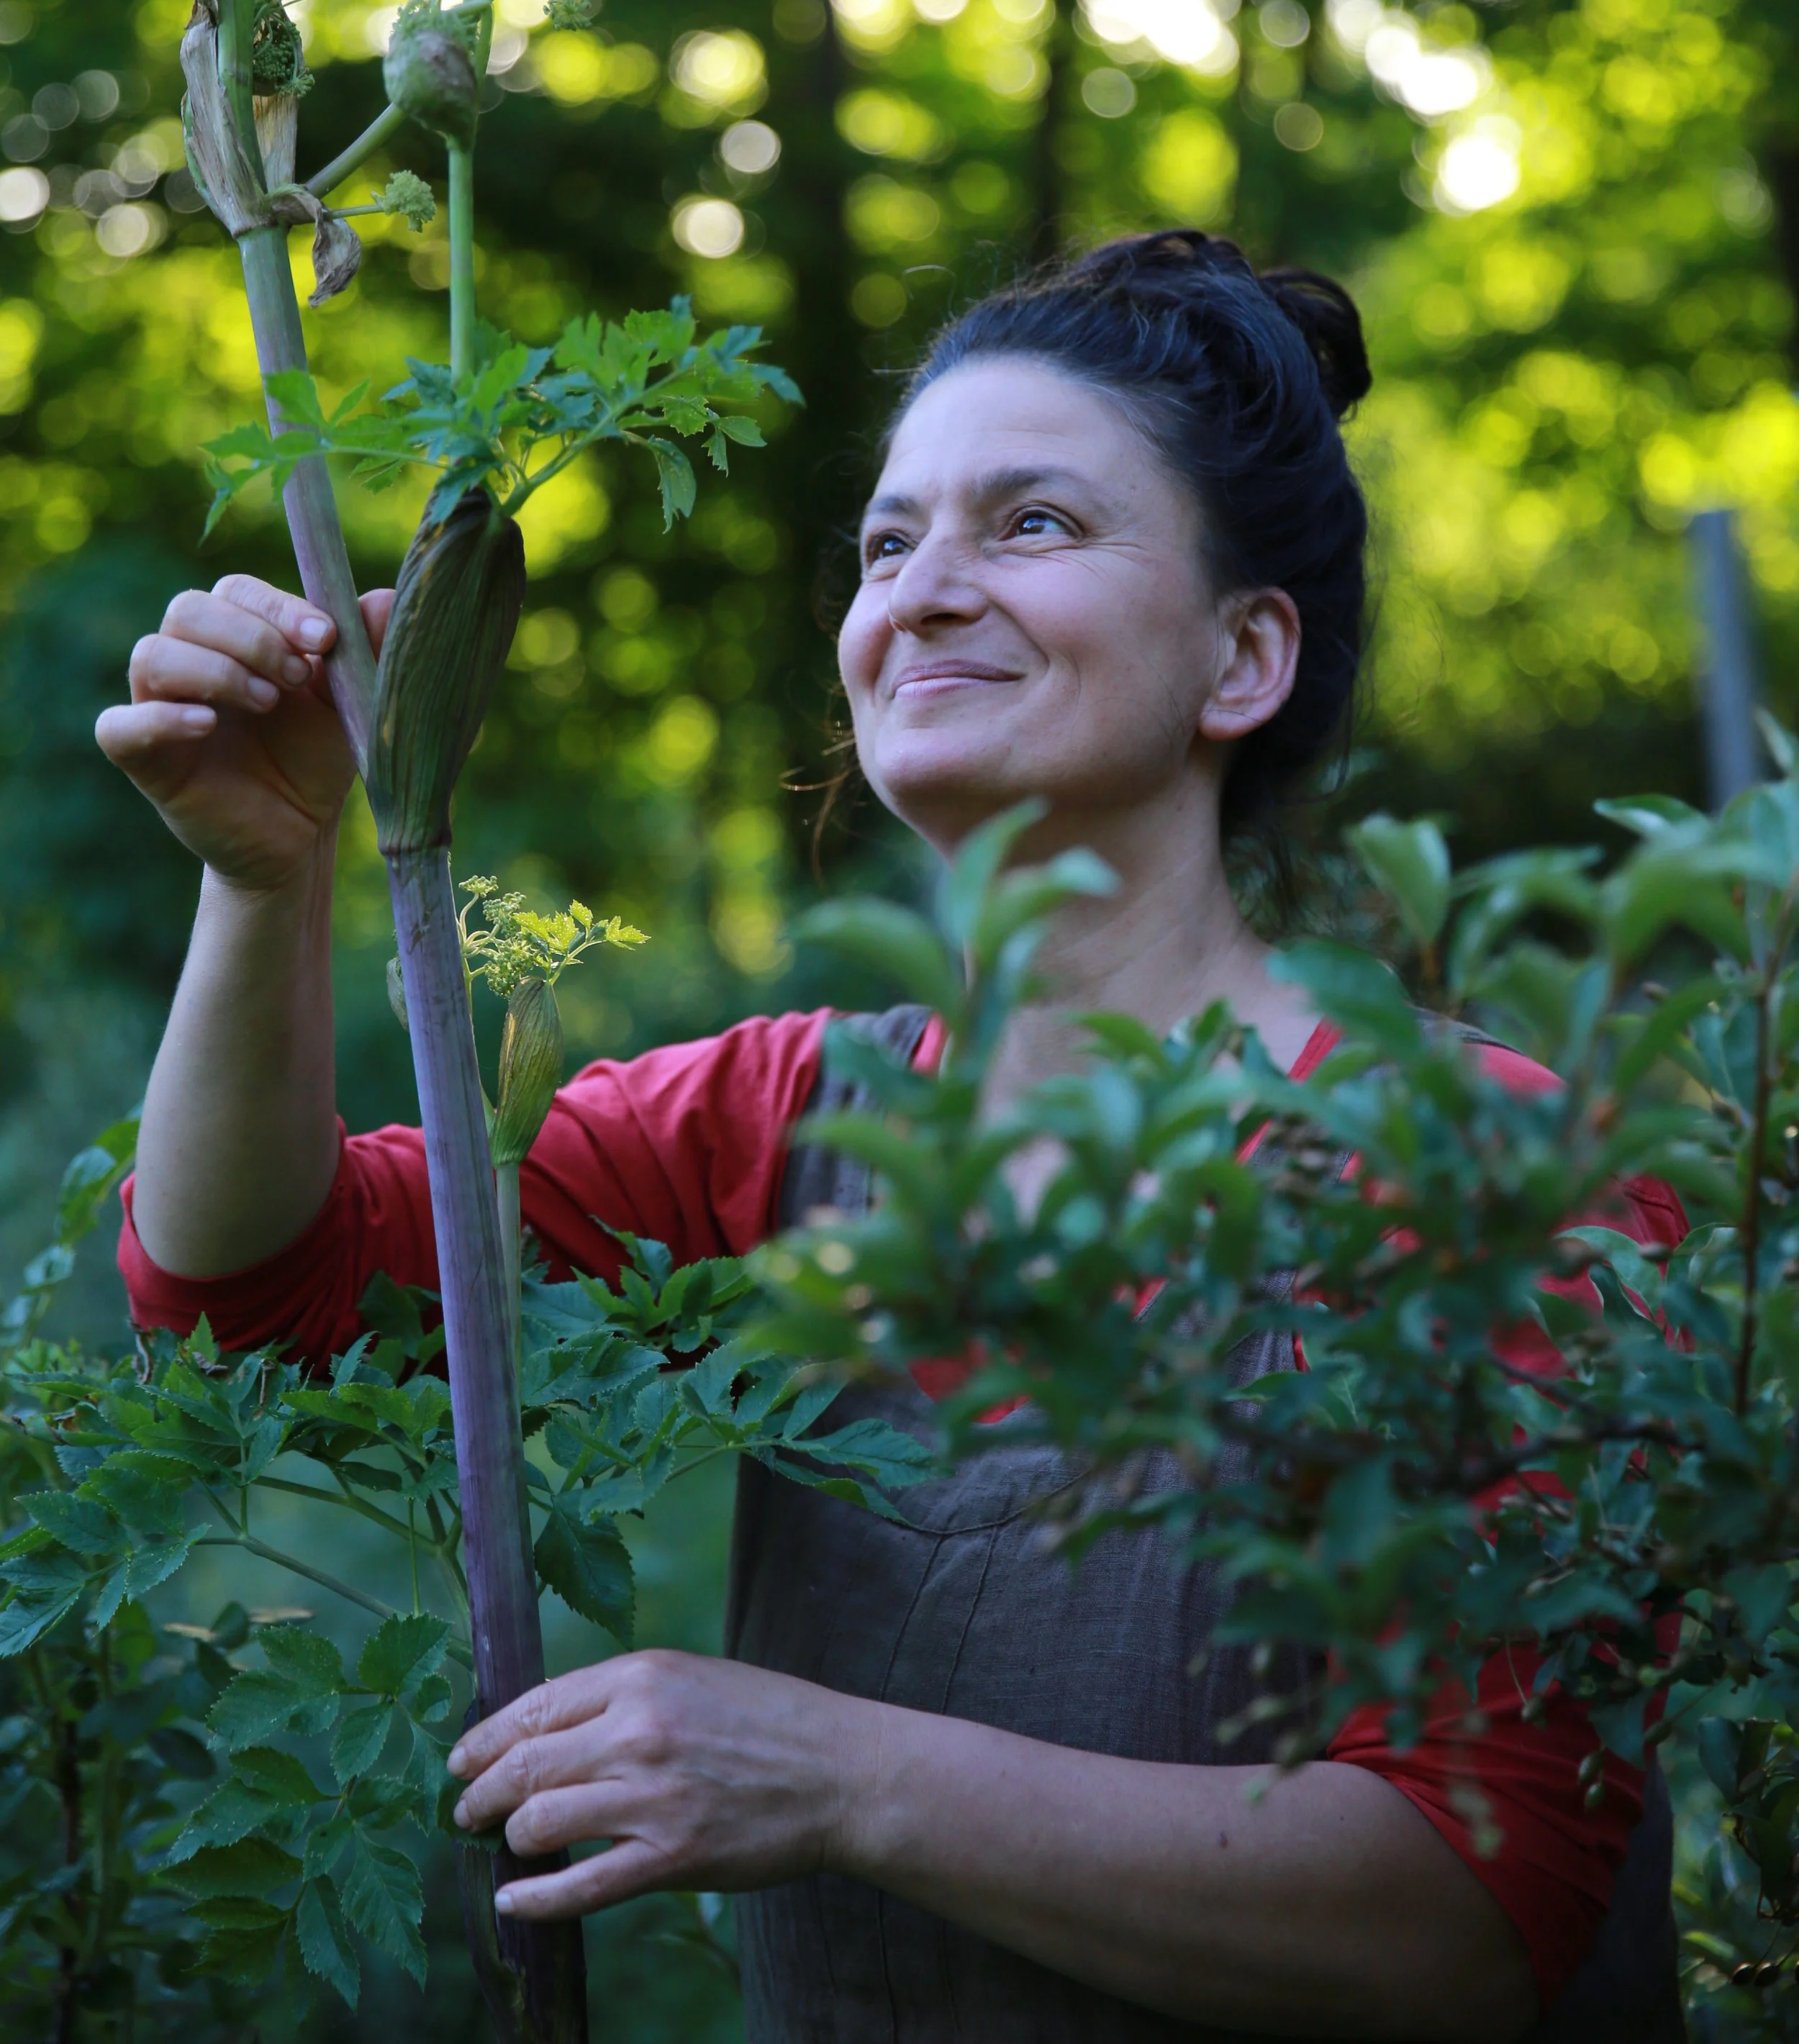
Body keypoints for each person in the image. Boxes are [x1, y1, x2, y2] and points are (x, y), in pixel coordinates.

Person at [99, 232, 1683, 2043]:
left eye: (1031, 527)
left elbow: (1467, 1919)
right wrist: (265, 872)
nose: (920, 590)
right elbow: (267, 1305)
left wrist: (842, 1778)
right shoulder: (773, 1124)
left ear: (1242, 657)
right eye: (885, 541)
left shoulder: (1485, 1176)